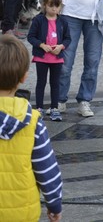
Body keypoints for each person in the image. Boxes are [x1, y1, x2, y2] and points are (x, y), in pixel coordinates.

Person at [0, 35, 63, 222]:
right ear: (24, 77)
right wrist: (54, 205)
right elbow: (47, 171)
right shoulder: (33, 122)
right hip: (21, 212)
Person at [27, 0, 71, 122]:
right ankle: (39, 107)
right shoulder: (38, 20)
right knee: (41, 82)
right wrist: (41, 45)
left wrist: (61, 46)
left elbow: (68, 39)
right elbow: (31, 37)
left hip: (57, 57)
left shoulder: (63, 21)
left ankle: (54, 108)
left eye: (57, 6)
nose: (54, 9)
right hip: (42, 57)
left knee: (55, 83)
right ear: (44, 5)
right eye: (51, 6)